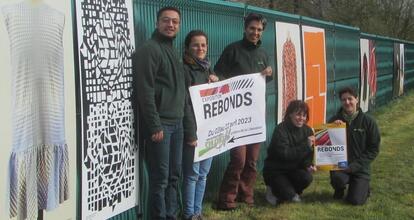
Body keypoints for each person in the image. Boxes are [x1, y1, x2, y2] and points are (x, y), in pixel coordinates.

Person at [215, 13, 273, 210]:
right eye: (252, 28)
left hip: (256, 115)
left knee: (252, 161)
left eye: (259, 30)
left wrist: (269, 74)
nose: (255, 32)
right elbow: (219, 73)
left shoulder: (264, 54)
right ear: (245, 28)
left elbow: (266, 81)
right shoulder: (232, 50)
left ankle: (246, 195)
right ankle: (226, 198)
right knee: (238, 160)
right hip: (236, 116)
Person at [133, 6, 185, 219]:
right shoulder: (149, 49)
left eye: (175, 22)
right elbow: (144, 90)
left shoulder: (173, 49)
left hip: (178, 123)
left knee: (174, 176)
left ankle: (171, 215)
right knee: (160, 179)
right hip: (160, 126)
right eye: (166, 20)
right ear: (157, 23)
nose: (170, 24)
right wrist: (154, 125)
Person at [181, 30, 219, 220]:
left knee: (203, 174)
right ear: (188, 47)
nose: (200, 48)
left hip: (209, 129)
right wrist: (190, 132)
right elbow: (185, 103)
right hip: (195, 131)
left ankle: (197, 212)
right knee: (192, 174)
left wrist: (216, 80)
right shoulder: (185, 69)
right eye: (196, 45)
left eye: (203, 45)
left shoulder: (206, 68)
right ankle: (188, 214)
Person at [329, 87, 380, 205]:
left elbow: (373, 149)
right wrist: (333, 128)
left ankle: (363, 187)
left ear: (356, 99)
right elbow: (326, 147)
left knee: (355, 201)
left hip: (360, 168)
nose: (347, 102)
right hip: (341, 166)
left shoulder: (368, 121)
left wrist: (355, 166)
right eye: (343, 100)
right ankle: (339, 188)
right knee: (338, 179)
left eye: (350, 99)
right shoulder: (334, 120)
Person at [263, 100, 316, 205]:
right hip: (276, 171)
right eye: (298, 114)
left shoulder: (308, 130)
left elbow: (308, 156)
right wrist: (305, 145)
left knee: (307, 178)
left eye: (304, 115)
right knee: (287, 196)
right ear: (290, 114)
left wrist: (308, 166)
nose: (301, 118)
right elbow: (285, 154)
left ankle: (291, 191)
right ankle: (273, 189)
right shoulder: (280, 130)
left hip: (294, 170)